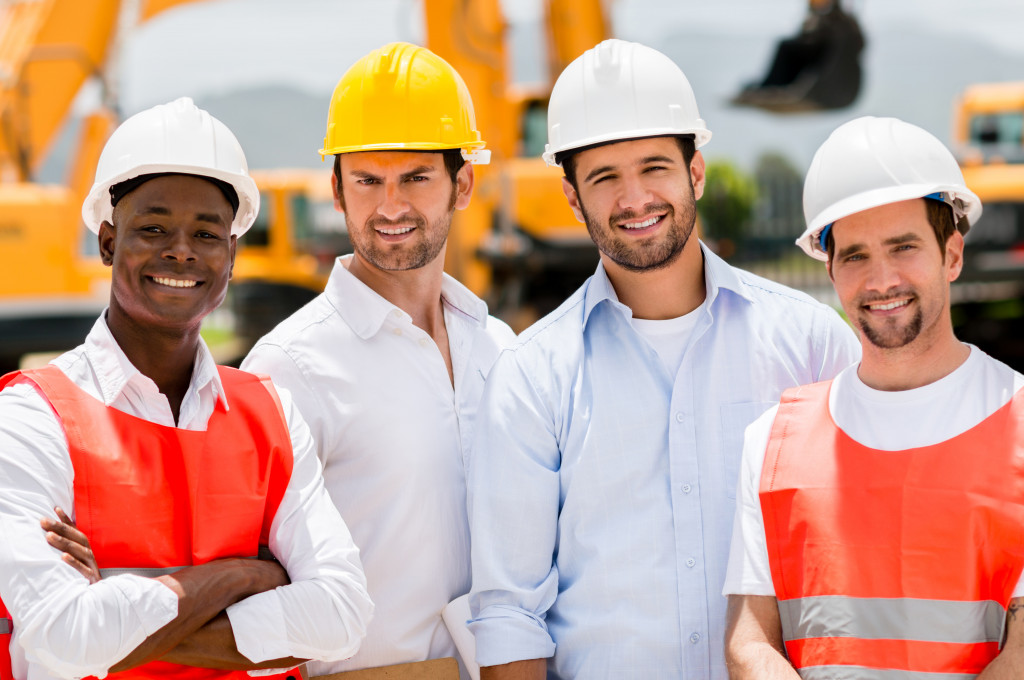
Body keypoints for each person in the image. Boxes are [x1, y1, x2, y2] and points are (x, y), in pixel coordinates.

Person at [466, 38, 860, 679]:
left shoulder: (811, 343)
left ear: (695, 172)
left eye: (655, 167)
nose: (635, 198)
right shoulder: (533, 377)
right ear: (572, 198)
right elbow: (511, 615)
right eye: (604, 177)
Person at [0, 97, 373, 680]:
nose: (180, 250)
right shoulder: (29, 417)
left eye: (206, 232)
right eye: (152, 228)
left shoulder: (270, 412)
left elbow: (343, 617)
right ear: (106, 242)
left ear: (231, 255)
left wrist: (118, 614)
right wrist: (242, 576)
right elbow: (62, 635)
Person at [241, 43, 514, 678]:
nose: (390, 206)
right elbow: (249, 584)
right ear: (336, 190)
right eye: (368, 180)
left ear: (462, 184)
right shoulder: (287, 368)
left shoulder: (501, 348)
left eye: (416, 177)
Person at [723, 116, 1024, 678]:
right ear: (831, 270)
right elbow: (749, 642)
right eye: (855, 255)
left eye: (903, 246)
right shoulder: (771, 444)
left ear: (952, 255)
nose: (881, 279)